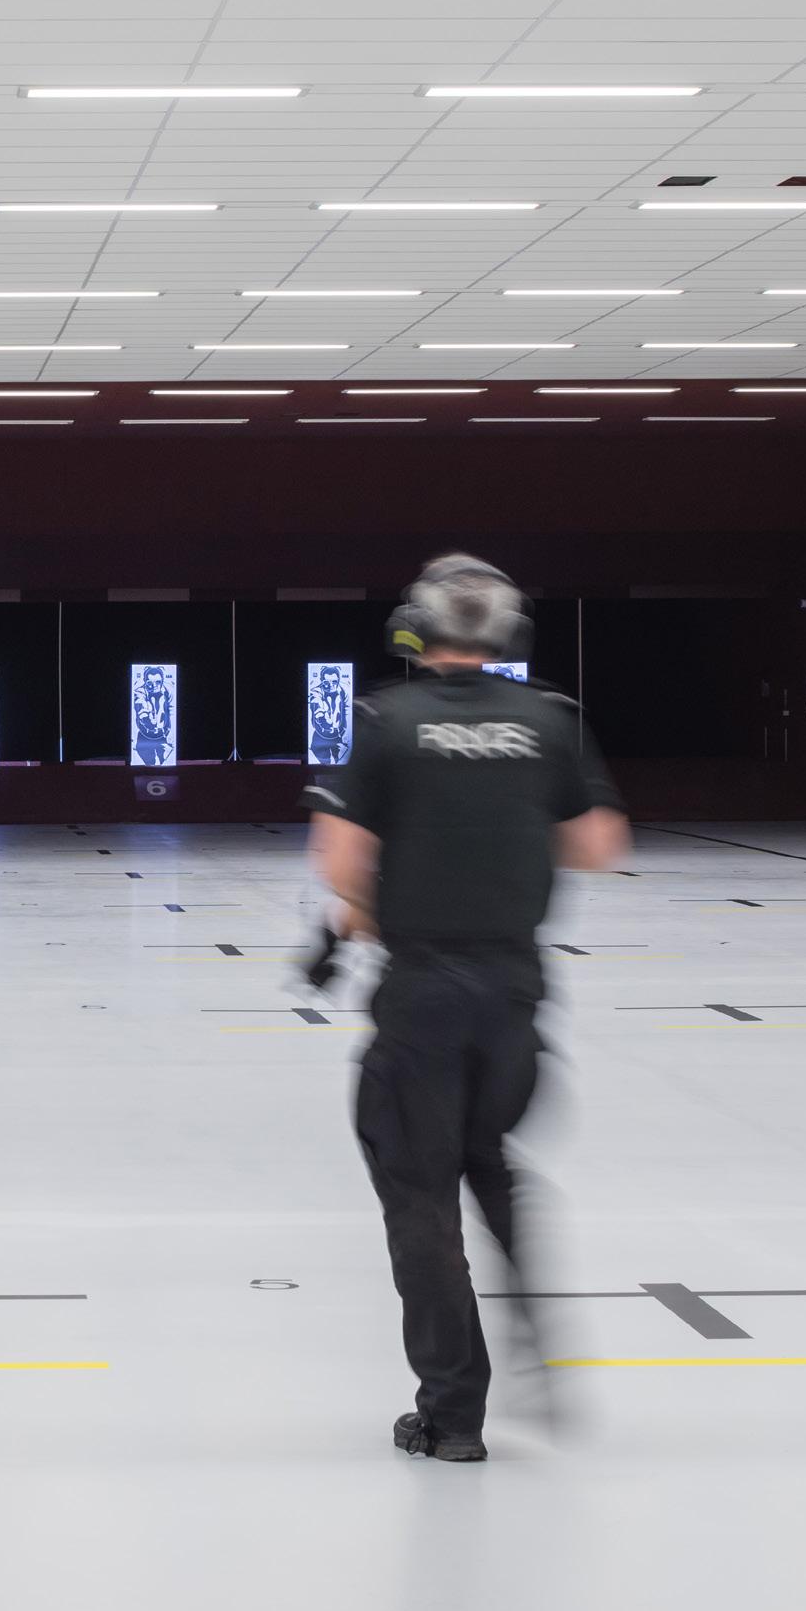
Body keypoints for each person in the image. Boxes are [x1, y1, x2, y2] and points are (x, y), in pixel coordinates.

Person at [305, 556, 629, 1463]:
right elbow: (599, 843)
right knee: (490, 1159)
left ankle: (452, 1414)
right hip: (515, 990)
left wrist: (371, 907)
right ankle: (539, 1336)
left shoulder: (385, 719)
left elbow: (340, 861)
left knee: (420, 1194)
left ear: (416, 627)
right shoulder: (550, 718)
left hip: (423, 991)